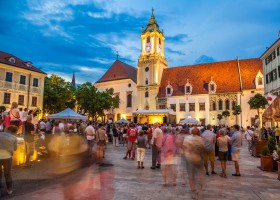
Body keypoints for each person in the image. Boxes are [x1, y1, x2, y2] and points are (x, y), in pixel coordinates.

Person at [183, 127, 204, 199]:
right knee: (200, 175)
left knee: (191, 176)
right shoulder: (200, 139)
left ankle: (193, 191)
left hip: (190, 159)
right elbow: (202, 148)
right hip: (198, 158)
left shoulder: (187, 138)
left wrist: (186, 154)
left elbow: (184, 148)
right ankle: (200, 189)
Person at [0, 125, 18, 195]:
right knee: (8, 174)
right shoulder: (14, 138)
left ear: (7, 129)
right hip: (7, 157)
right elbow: (15, 148)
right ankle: (9, 189)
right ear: (15, 132)